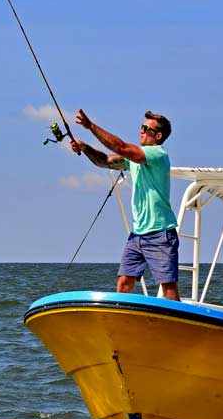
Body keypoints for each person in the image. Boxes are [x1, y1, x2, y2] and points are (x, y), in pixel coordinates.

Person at [70, 109, 179, 301]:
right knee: (123, 284)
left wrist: (91, 127)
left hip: (160, 233)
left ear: (158, 135)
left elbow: (120, 147)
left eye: (146, 128)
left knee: (168, 289)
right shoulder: (134, 159)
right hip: (137, 234)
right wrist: (85, 147)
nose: (141, 130)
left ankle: (180, 329)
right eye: (141, 126)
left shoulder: (156, 154)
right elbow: (104, 161)